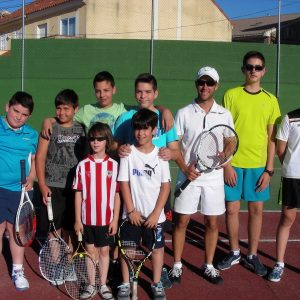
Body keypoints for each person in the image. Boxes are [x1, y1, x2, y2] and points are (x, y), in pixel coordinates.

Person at [217, 51, 281, 276]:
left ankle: (252, 255)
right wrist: (227, 164)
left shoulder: (271, 100)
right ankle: (234, 251)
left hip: (258, 166)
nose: (253, 70)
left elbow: (271, 137)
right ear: (244, 69)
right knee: (231, 209)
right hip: (234, 164)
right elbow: (226, 132)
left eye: (258, 67)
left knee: (256, 211)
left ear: (264, 71)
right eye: (249, 66)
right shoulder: (231, 95)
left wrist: (269, 169)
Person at [169, 66, 234, 285]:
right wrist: (185, 167)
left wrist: (227, 153)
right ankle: (177, 265)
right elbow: (174, 145)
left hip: (214, 177)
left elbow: (231, 139)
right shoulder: (184, 112)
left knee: (213, 223)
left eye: (209, 83)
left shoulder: (224, 113)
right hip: (189, 176)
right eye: (201, 82)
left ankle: (208, 266)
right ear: (196, 84)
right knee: (181, 222)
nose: (205, 87)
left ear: (216, 86)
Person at [117, 108, 171, 300]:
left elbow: (165, 187)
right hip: (132, 215)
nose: (141, 133)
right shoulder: (128, 153)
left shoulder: (161, 155)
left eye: (145, 128)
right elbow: (123, 183)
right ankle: (124, 283)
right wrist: (130, 210)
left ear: (154, 130)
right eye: (137, 129)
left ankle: (156, 283)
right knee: (128, 249)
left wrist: (157, 213)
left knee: (156, 250)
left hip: (154, 217)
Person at [114, 73, 179, 232]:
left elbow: (176, 151)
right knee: (129, 232)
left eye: (148, 92)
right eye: (139, 92)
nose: (143, 96)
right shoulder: (124, 118)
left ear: (155, 93)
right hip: (133, 186)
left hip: (157, 187)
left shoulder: (165, 118)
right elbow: (113, 147)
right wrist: (118, 149)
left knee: (156, 239)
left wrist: (170, 154)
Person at [35, 89, 86, 269]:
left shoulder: (82, 129)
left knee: (71, 228)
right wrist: (42, 184)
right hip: (53, 186)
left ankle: (68, 264)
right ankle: (56, 265)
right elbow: (40, 157)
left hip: (75, 188)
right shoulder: (49, 128)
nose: (62, 112)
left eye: (66, 108)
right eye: (58, 108)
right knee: (54, 229)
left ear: (75, 109)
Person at [73, 122, 120, 300]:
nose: (95, 142)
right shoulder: (82, 165)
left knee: (104, 252)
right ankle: (91, 284)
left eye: (100, 139)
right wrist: (78, 219)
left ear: (107, 141)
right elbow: (78, 194)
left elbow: (117, 195)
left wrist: (115, 219)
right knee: (90, 251)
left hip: (106, 219)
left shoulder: (114, 166)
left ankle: (103, 284)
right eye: (92, 139)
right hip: (87, 218)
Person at [0, 91, 38, 291]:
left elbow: (34, 160)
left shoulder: (31, 134)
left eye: (24, 114)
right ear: (8, 107)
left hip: (20, 192)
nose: (18, 116)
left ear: (28, 116)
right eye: (16, 111)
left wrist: (32, 176)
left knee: (17, 234)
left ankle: (17, 270)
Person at [268, 108, 300, 282]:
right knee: (287, 218)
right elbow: (280, 149)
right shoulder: (290, 118)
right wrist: (292, 166)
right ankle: (279, 263)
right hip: (293, 176)